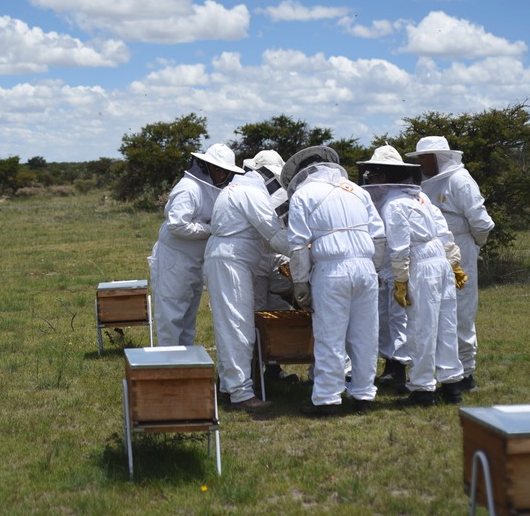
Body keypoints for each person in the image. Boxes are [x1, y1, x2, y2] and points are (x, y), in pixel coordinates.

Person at [358, 146, 468, 406]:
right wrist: (453, 264)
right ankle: (452, 386)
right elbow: (443, 232)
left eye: (373, 175)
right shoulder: (420, 198)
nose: (371, 181)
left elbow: (398, 247)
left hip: (420, 264)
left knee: (421, 328)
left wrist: (400, 280)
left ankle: (422, 390)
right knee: (445, 325)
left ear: (383, 177)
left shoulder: (394, 206)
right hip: (438, 261)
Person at [282, 146, 386, 416]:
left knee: (330, 336)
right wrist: (372, 269)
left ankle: (328, 399)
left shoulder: (304, 194)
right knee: (365, 335)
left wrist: (300, 282)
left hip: (331, 271)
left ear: (303, 172)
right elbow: (379, 236)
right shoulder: (358, 191)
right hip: (365, 268)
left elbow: (297, 245)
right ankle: (364, 395)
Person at [406, 137, 494, 392]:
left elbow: (482, 223)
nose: (421, 162)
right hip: (432, 254)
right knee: (435, 313)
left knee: (461, 312)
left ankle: (465, 373)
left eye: (425, 157)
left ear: (440, 157)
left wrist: (473, 247)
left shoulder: (460, 180)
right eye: (419, 158)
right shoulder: (424, 183)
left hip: (462, 249)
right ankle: (441, 372)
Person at [204, 149, 286, 412]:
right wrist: (306, 250)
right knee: (238, 327)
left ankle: (229, 386)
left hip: (230, 260)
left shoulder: (239, 188)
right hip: (231, 262)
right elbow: (274, 234)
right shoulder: (250, 193)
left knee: (232, 325)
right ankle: (241, 393)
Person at [148, 143, 244, 347]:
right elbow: (177, 224)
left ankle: (186, 368)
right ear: (213, 168)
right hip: (174, 260)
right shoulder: (189, 188)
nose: (224, 176)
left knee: (188, 317)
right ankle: (168, 369)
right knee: (171, 317)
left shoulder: (209, 188)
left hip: (194, 261)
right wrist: (210, 230)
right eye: (223, 171)